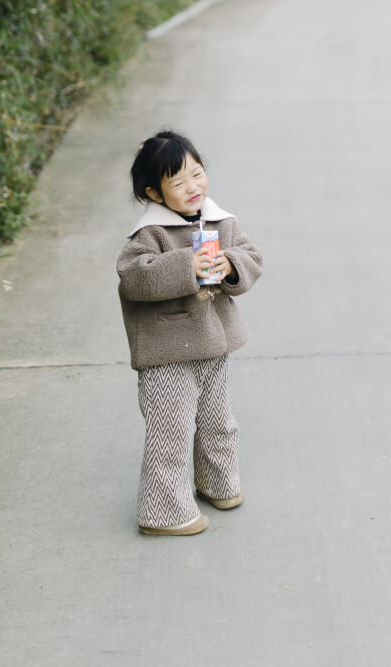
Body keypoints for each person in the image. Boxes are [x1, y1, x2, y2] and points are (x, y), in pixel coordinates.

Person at [117, 130, 263, 536]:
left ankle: (217, 482)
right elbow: (133, 278)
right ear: (156, 194)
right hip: (167, 351)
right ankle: (163, 513)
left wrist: (230, 265)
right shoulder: (149, 234)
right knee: (171, 429)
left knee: (219, 421)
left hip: (213, 342)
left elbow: (251, 256)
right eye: (178, 183)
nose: (193, 187)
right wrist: (188, 266)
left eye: (197, 174)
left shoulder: (220, 220)